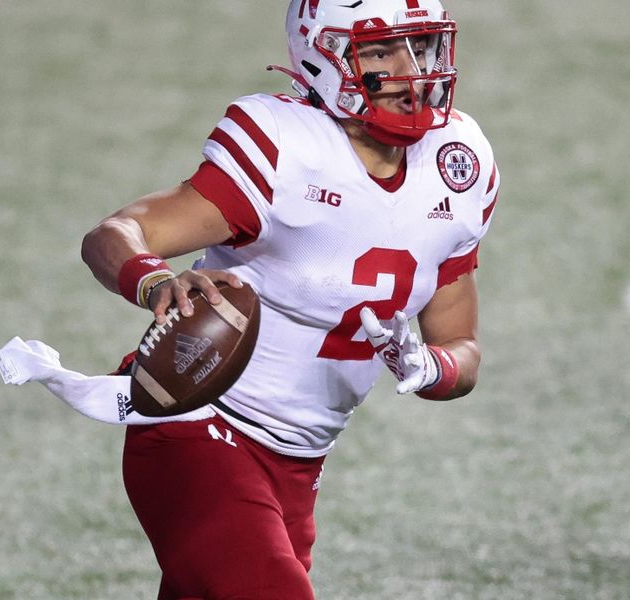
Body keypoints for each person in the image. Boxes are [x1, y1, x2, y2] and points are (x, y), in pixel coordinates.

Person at [80, 1, 499, 598]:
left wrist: (431, 366)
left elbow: (462, 347)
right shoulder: (284, 145)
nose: (414, 70)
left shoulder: (460, 163)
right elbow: (116, 235)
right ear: (323, 56)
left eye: (421, 44)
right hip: (199, 424)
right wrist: (153, 282)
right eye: (382, 51)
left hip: (300, 465)